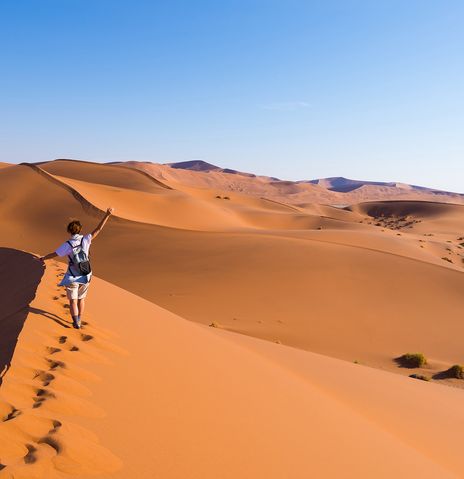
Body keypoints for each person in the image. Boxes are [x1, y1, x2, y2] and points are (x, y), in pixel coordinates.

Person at [39, 207, 114, 329]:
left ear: (69, 231)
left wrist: (43, 258)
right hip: (86, 273)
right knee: (81, 299)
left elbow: (55, 254)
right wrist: (107, 215)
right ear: (80, 230)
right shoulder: (86, 239)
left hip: (72, 275)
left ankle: (76, 322)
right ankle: (79, 318)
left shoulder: (68, 244)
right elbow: (98, 229)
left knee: (73, 300)